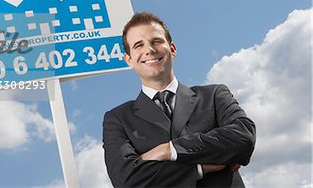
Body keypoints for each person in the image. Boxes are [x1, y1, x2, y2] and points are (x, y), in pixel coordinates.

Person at [103, 12, 256, 187]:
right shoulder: (118, 119)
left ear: (172, 49)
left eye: (156, 41)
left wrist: (168, 150)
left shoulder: (214, 95)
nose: (149, 50)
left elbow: (244, 137)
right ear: (129, 60)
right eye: (139, 45)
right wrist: (199, 168)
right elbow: (126, 180)